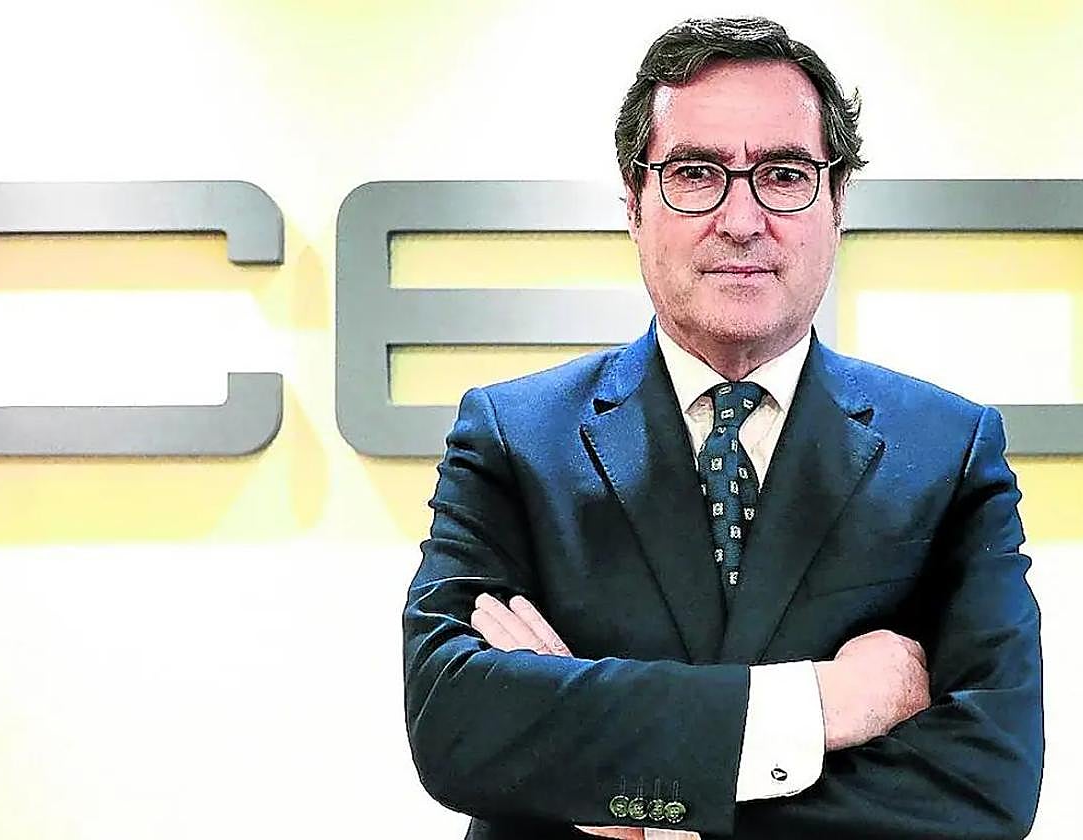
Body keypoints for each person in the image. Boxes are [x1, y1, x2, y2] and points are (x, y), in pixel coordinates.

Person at [402, 16, 1043, 840]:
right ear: (634, 202)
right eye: (696, 173)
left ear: (838, 204)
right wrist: (819, 705)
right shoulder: (513, 437)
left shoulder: (948, 453)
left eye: (784, 174)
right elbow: (457, 727)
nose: (741, 219)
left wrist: (632, 795)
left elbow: (988, 786)